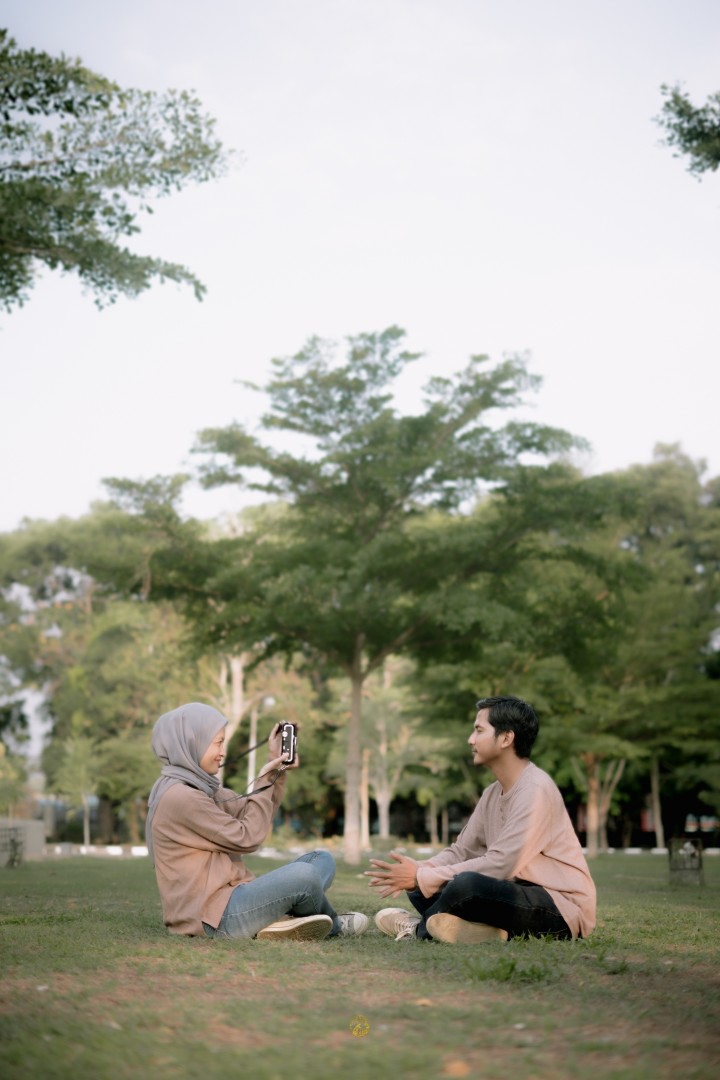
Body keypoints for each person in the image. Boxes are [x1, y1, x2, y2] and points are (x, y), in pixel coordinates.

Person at [366, 695, 596, 944]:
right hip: (513, 894)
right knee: (420, 888)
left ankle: (418, 929)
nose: (471, 739)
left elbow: (501, 864)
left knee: (465, 886)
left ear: (506, 738)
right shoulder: (492, 793)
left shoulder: (535, 790)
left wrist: (422, 876)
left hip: (560, 907)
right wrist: (418, 870)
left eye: (479, 730)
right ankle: (484, 932)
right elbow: (462, 851)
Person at [146, 701, 368, 941]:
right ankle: (334, 925)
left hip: (232, 896)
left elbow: (256, 813)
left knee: (321, 860)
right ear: (192, 743)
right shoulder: (181, 797)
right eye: (218, 743)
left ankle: (280, 919)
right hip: (212, 917)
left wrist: (276, 771)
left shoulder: (200, 788)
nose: (223, 752)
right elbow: (247, 837)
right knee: (303, 875)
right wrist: (263, 779)